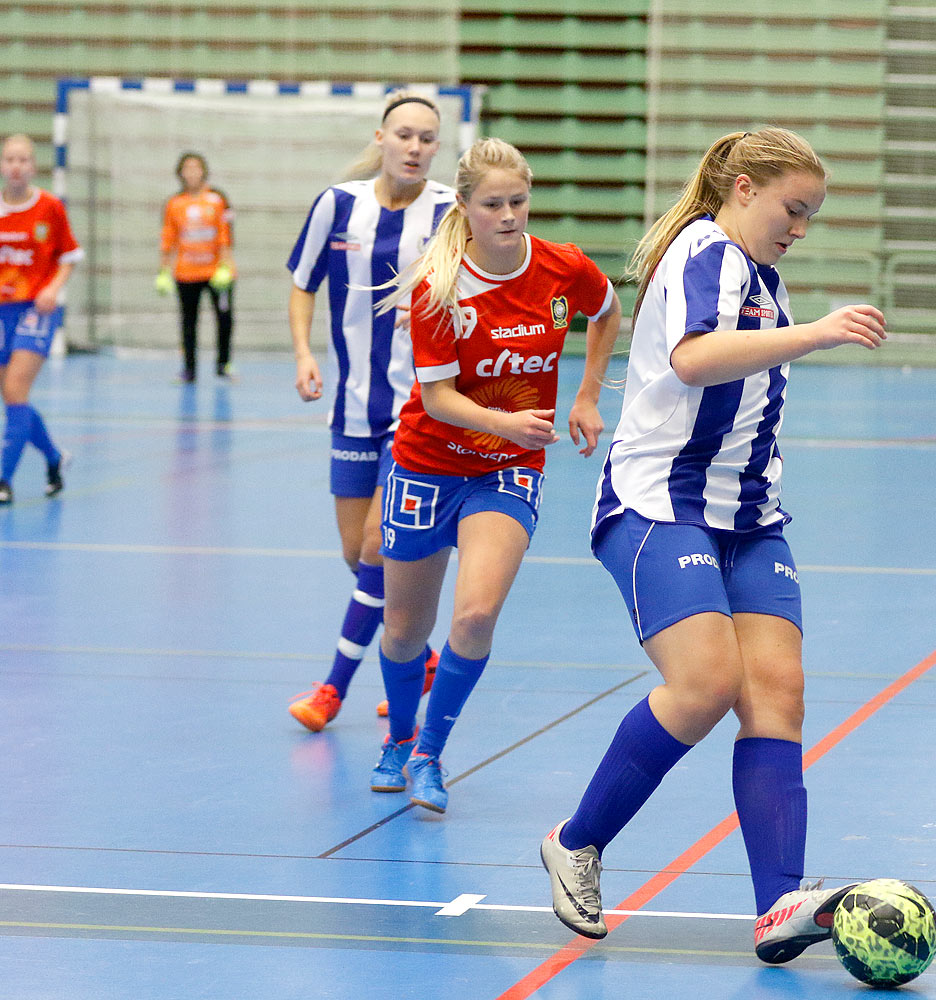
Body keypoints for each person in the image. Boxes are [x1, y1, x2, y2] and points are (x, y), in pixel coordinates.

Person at [536, 126, 885, 962]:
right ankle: (576, 842)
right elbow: (694, 360)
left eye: (810, 216)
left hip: (750, 517)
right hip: (661, 504)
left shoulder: (765, 278)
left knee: (777, 695)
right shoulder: (703, 252)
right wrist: (821, 332)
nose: (799, 227)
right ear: (742, 189)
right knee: (704, 683)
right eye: (791, 209)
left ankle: (778, 906)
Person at [366, 136, 620, 814]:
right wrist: (507, 420)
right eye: (493, 205)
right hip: (426, 465)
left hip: (506, 472)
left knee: (475, 615)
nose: (509, 215)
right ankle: (397, 735)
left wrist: (588, 394)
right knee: (403, 630)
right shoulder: (437, 287)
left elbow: (606, 314)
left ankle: (429, 754)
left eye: (518, 202)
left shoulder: (563, 268)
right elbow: (441, 399)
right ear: (466, 209)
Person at [285, 92, 454, 730]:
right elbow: (303, 283)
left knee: (378, 549)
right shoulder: (337, 204)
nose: (414, 147)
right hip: (353, 408)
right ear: (381, 137)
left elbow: (475, 293)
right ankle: (422, 659)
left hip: (419, 412)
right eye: (404, 135)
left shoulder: (449, 213)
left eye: (427, 138)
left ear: (438, 148)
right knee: (358, 557)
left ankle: (331, 689)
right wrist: (304, 352)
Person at [0, 134, 82, 506]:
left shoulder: (49, 206)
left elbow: (69, 256)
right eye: (9, 159)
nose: (16, 166)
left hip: (35, 309)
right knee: (13, 397)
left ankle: (3, 480)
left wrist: (53, 289)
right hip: (2, 311)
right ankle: (53, 458)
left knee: (15, 390)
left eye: (23, 160)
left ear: (33, 166)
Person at [157, 152, 235, 383]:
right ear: (180, 173)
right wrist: (163, 271)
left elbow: (226, 235)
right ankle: (189, 369)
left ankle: (223, 365)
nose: (192, 172)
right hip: (186, 273)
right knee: (188, 322)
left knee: (224, 318)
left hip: (216, 273)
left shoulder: (217, 199)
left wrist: (226, 266)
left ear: (203, 171)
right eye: (187, 168)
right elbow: (168, 238)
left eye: (196, 167)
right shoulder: (174, 203)